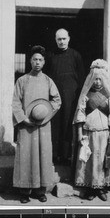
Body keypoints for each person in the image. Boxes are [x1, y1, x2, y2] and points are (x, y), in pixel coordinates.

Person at [12, 45, 61, 204]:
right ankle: (24, 190)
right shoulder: (22, 80)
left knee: (43, 155)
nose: (37, 62)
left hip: (43, 126)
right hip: (26, 126)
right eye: (35, 59)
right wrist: (23, 119)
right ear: (30, 61)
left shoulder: (48, 81)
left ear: (44, 62)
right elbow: (15, 103)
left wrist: (46, 115)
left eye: (40, 60)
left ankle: (41, 190)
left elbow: (57, 100)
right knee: (26, 156)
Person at [73, 59, 110, 201]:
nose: (98, 82)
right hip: (88, 133)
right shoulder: (85, 96)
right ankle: (90, 187)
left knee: (102, 160)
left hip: (104, 133)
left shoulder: (109, 97)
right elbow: (80, 114)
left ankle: (101, 187)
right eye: (95, 79)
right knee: (88, 160)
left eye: (100, 80)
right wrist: (80, 133)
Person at [45, 28, 85, 164]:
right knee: (55, 124)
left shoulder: (76, 55)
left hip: (70, 97)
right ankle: (54, 154)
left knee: (68, 123)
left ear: (68, 39)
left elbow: (81, 78)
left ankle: (67, 155)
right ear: (55, 40)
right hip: (54, 96)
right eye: (59, 39)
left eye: (64, 39)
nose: (61, 42)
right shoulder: (50, 55)